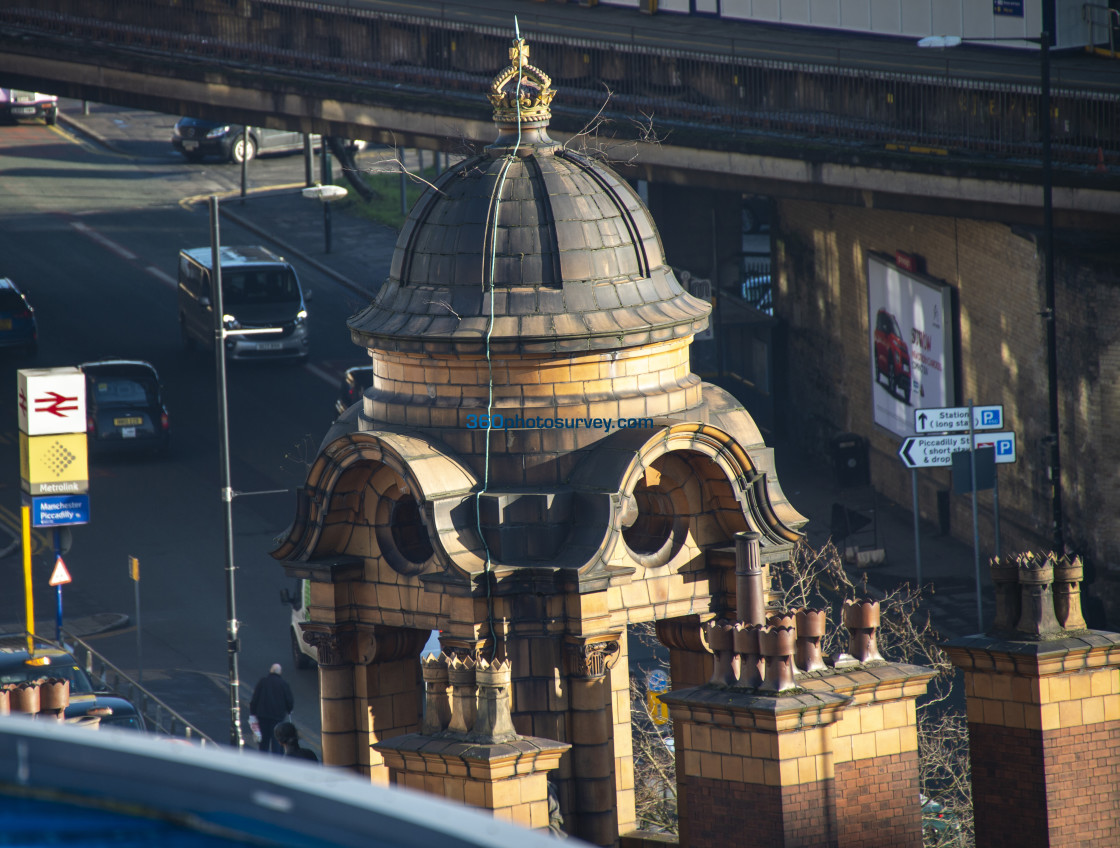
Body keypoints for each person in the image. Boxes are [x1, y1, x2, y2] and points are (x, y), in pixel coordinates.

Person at [249, 663, 294, 754]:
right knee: (276, 741)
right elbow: (289, 700)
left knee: (264, 740)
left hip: (263, 716)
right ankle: (276, 761)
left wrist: (253, 713)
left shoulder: (262, 682)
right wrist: (289, 710)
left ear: (270, 670)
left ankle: (263, 758)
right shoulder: (283, 684)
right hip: (277, 717)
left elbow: (255, 699)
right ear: (280, 672)